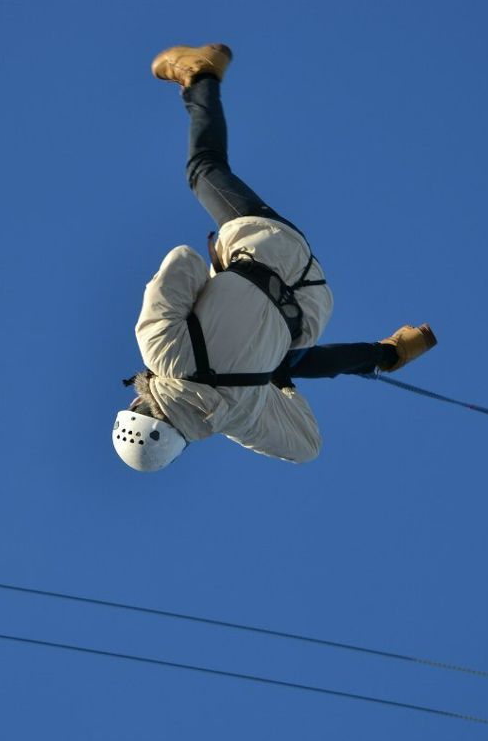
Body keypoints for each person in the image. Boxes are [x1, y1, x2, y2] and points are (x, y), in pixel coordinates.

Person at [113, 43, 437, 472]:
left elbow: (308, 445)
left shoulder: (240, 418)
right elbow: (184, 260)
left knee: (286, 362)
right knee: (203, 169)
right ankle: (201, 75)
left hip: (313, 298)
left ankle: (388, 353)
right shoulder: (161, 351)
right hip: (267, 248)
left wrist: (273, 382)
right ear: (140, 403)